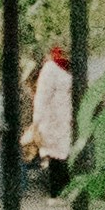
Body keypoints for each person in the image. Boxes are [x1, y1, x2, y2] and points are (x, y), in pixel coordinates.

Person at [29, 42, 75, 187]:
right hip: (53, 119)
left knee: (65, 153)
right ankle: (56, 192)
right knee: (56, 154)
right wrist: (37, 121)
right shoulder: (50, 69)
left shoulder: (70, 68)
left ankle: (65, 190)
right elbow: (42, 96)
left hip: (66, 118)